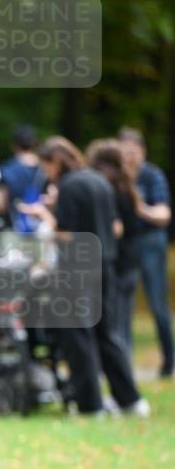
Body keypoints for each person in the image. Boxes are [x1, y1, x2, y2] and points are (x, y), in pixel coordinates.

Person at [23, 136, 148, 417]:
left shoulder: (68, 186)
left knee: (77, 335)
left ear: (55, 160)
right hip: (105, 264)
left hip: (76, 267)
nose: (47, 174)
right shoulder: (98, 180)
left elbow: (66, 233)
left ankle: (90, 404)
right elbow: (115, 227)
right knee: (106, 332)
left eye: (46, 166)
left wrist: (46, 217)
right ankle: (131, 400)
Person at [118, 127, 173, 377]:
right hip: (125, 243)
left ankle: (169, 360)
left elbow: (163, 215)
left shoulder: (152, 176)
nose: (129, 157)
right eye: (124, 152)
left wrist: (137, 205)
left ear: (142, 151)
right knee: (122, 305)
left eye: (133, 151)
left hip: (150, 240)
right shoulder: (116, 178)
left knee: (156, 303)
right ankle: (125, 362)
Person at [86, 139, 142, 354]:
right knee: (123, 325)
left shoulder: (110, 189)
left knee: (113, 327)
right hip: (130, 261)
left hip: (117, 263)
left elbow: (116, 227)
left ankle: (120, 372)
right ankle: (125, 367)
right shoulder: (126, 185)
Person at [0, 123, 46, 235]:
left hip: (13, 228)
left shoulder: (8, 169)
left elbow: (2, 204)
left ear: (13, 145)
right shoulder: (46, 168)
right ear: (36, 144)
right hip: (42, 229)